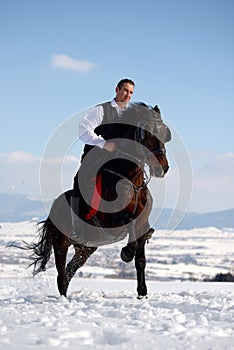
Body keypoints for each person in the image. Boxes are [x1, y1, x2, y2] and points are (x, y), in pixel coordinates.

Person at [72, 78, 152, 262]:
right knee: (79, 179)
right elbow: (83, 129)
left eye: (131, 92)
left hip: (120, 161)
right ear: (117, 89)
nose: (128, 95)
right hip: (97, 157)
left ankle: (139, 222)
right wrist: (103, 143)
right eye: (125, 91)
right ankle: (77, 224)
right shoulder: (103, 110)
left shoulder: (132, 115)